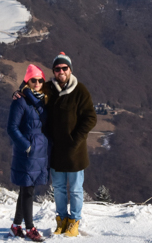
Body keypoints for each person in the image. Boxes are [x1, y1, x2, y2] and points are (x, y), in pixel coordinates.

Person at [45, 52, 97, 237]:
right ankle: (62, 220)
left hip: (75, 150)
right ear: (54, 71)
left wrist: (76, 139)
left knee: (75, 189)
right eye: (57, 69)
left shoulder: (80, 90)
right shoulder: (48, 89)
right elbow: (31, 91)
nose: (61, 71)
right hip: (56, 150)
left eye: (64, 68)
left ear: (70, 70)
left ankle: (74, 221)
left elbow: (90, 118)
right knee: (58, 188)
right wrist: (19, 92)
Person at [7, 64, 49, 241]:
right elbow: (12, 127)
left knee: (25, 189)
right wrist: (27, 145)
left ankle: (16, 226)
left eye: (40, 80)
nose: (37, 83)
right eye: (34, 80)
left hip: (40, 150)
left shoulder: (44, 99)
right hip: (28, 152)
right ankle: (30, 227)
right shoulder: (21, 100)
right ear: (27, 80)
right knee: (28, 190)